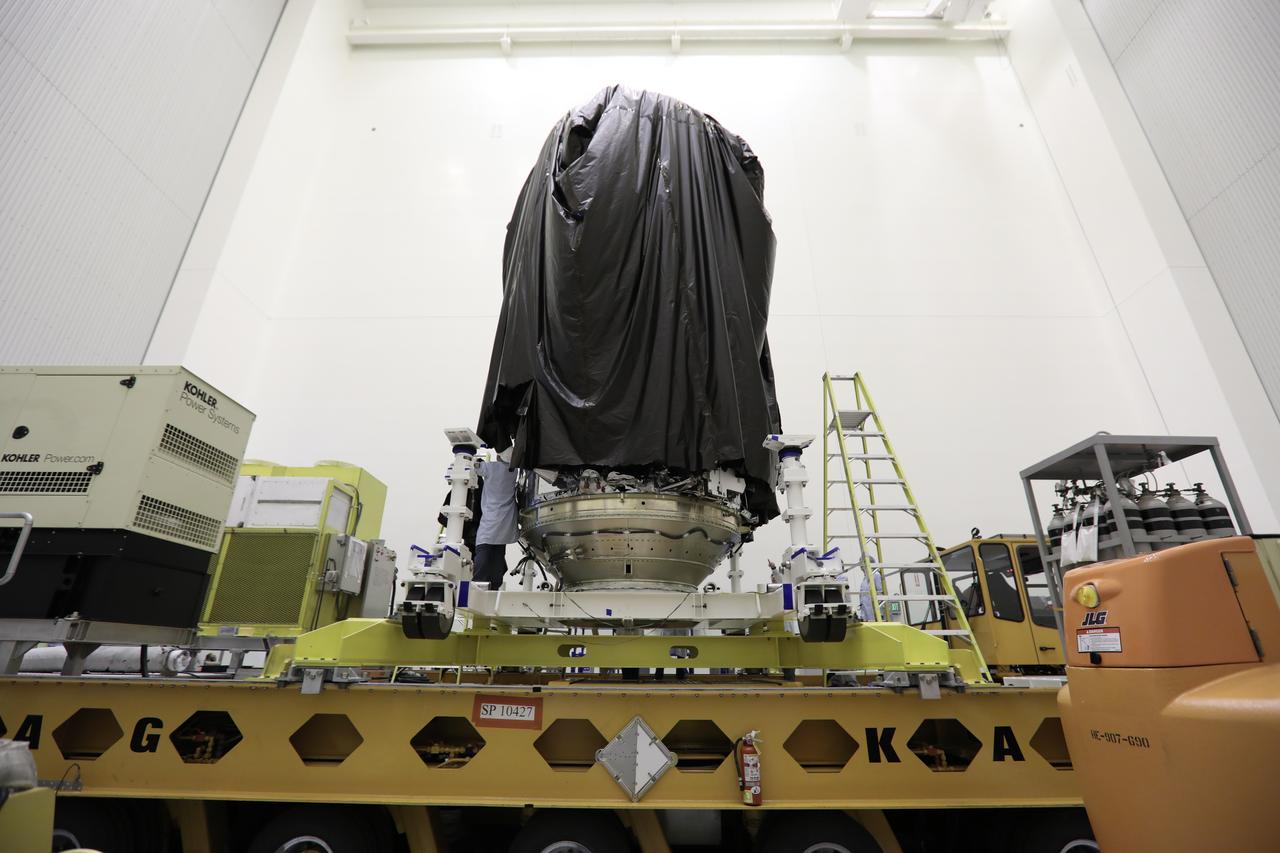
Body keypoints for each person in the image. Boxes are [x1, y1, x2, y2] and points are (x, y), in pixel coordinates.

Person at [473, 449, 519, 590]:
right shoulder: (513, 472)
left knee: (483, 553)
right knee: (498, 557)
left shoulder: (491, 468)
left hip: (490, 520)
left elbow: (475, 467)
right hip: (505, 523)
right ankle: (495, 586)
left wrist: (476, 460)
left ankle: (478, 585)